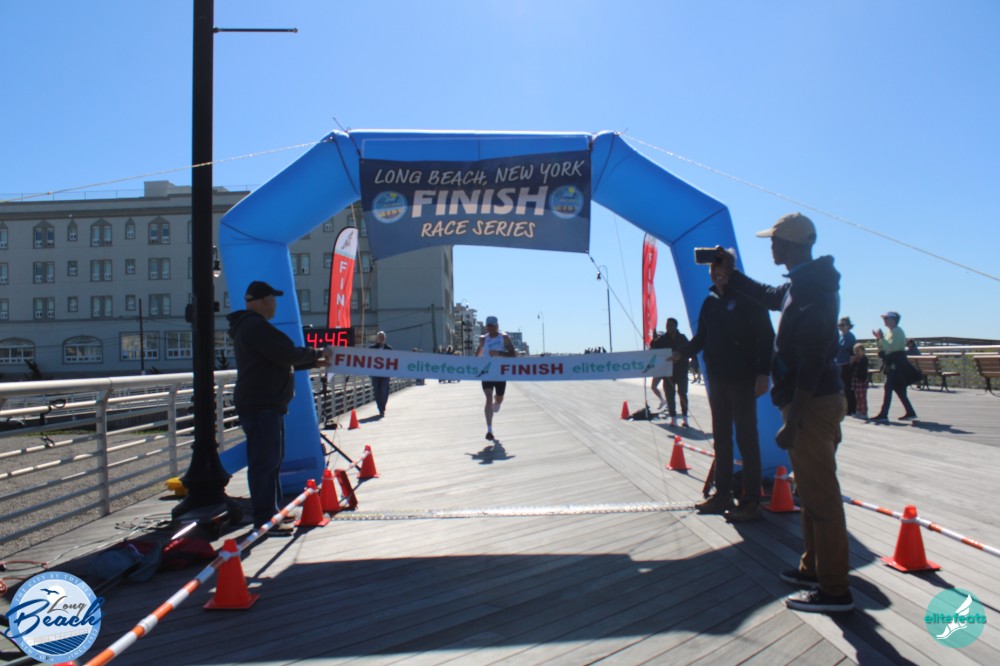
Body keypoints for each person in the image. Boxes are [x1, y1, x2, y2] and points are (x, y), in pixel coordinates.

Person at [726, 212, 853, 613]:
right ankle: (813, 569)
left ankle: (835, 591)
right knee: (811, 493)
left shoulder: (811, 290)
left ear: (790, 245)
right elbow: (768, 295)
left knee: (822, 498)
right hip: (811, 402)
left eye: (774, 241)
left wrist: (794, 419)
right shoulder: (805, 283)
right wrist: (731, 274)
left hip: (810, 405)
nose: (770, 247)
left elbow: (813, 360)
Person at [675, 248, 774, 522]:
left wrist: (763, 373)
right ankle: (722, 495)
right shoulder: (709, 302)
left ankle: (751, 500)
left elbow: (766, 336)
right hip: (717, 379)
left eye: (722, 267)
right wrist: (680, 353)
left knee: (747, 439)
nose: (717, 273)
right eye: (713, 268)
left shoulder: (747, 296)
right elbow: (701, 338)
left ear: (732, 270)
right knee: (721, 438)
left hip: (743, 378)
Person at [227, 281, 331, 531]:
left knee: (271, 461)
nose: (275, 304)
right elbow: (285, 353)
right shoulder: (256, 326)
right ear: (265, 300)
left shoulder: (249, 326)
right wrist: (317, 354)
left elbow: (277, 358)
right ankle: (265, 517)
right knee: (265, 462)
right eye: (273, 299)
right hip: (262, 404)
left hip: (263, 403)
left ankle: (272, 512)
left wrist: (312, 363)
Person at [475, 315, 517, 441]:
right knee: (488, 398)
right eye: (489, 326)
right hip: (487, 373)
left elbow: (513, 354)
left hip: (500, 373)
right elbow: (477, 355)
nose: (491, 328)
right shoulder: (483, 339)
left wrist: (499, 353)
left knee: (499, 400)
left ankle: (497, 401)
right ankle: (489, 430)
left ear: (497, 326)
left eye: (493, 326)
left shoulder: (504, 337)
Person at [871, 312, 917, 421]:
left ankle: (884, 414)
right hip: (892, 365)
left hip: (896, 366)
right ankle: (910, 412)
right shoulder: (890, 332)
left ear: (894, 320)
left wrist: (882, 338)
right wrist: (879, 339)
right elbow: (882, 347)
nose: (884, 320)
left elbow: (891, 348)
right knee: (898, 389)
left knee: (889, 388)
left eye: (886, 318)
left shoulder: (898, 332)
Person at [650, 318, 691, 426]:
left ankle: (685, 418)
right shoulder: (662, 339)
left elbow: (689, 350)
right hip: (668, 372)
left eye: (670, 325)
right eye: (667, 325)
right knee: (669, 395)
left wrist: (680, 357)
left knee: (683, 394)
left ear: (675, 326)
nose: (668, 327)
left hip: (681, 371)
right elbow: (653, 349)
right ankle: (673, 418)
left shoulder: (682, 338)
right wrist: (653, 340)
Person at [836, 317, 857, 415]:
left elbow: (850, 351)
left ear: (848, 326)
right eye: (839, 325)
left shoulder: (849, 337)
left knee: (848, 388)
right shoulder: (841, 337)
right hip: (840, 364)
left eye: (842, 325)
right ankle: (846, 408)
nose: (840, 327)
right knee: (843, 388)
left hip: (846, 365)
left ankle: (851, 408)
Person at [370, 331, 392, 417]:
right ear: (377, 338)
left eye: (382, 337)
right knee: (377, 391)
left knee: (384, 391)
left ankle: (382, 407)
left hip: (385, 374)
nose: (381, 338)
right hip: (375, 374)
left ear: (385, 338)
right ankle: (380, 408)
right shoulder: (372, 348)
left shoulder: (389, 349)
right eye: (380, 337)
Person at [851, 343, 869, 419]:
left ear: (863, 351)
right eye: (855, 351)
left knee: (862, 397)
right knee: (857, 397)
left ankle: (864, 412)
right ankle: (858, 411)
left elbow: (862, 369)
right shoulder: (856, 360)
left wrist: (857, 362)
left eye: (858, 351)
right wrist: (853, 362)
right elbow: (852, 369)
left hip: (862, 380)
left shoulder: (864, 359)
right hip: (856, 380)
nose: (856, 353)